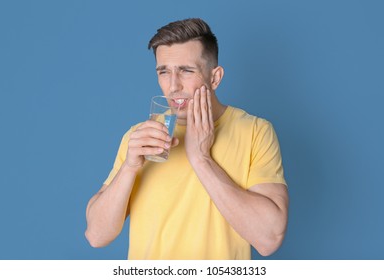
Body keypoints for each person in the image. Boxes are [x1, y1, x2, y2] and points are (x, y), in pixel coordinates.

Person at [85, 18, 289, 260]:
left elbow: (269, 239)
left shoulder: (255, 131)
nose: (173, 86)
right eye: (164, 72)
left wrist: (201, 159)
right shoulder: (139, 137)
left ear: (215, 78)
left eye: (186, 71)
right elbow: (97, 236)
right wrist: (130, 167)